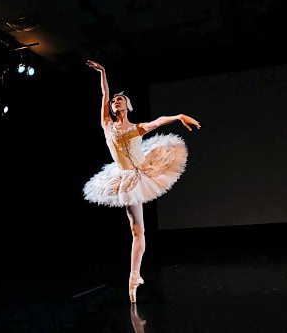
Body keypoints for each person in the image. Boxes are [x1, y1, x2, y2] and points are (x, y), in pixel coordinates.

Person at [83, 60, 201, 303]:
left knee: (139, 230)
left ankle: (134, 275)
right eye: (114, 101)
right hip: (124, 177)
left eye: (120, 100)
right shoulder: (107, 124)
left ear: (127, 105)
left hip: (143, 170)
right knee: (136, 229)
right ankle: (134, 276)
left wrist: (179, 116)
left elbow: (157, 122)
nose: (116, 101)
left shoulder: (136, 128)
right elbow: (104, 94)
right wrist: (103, 72)